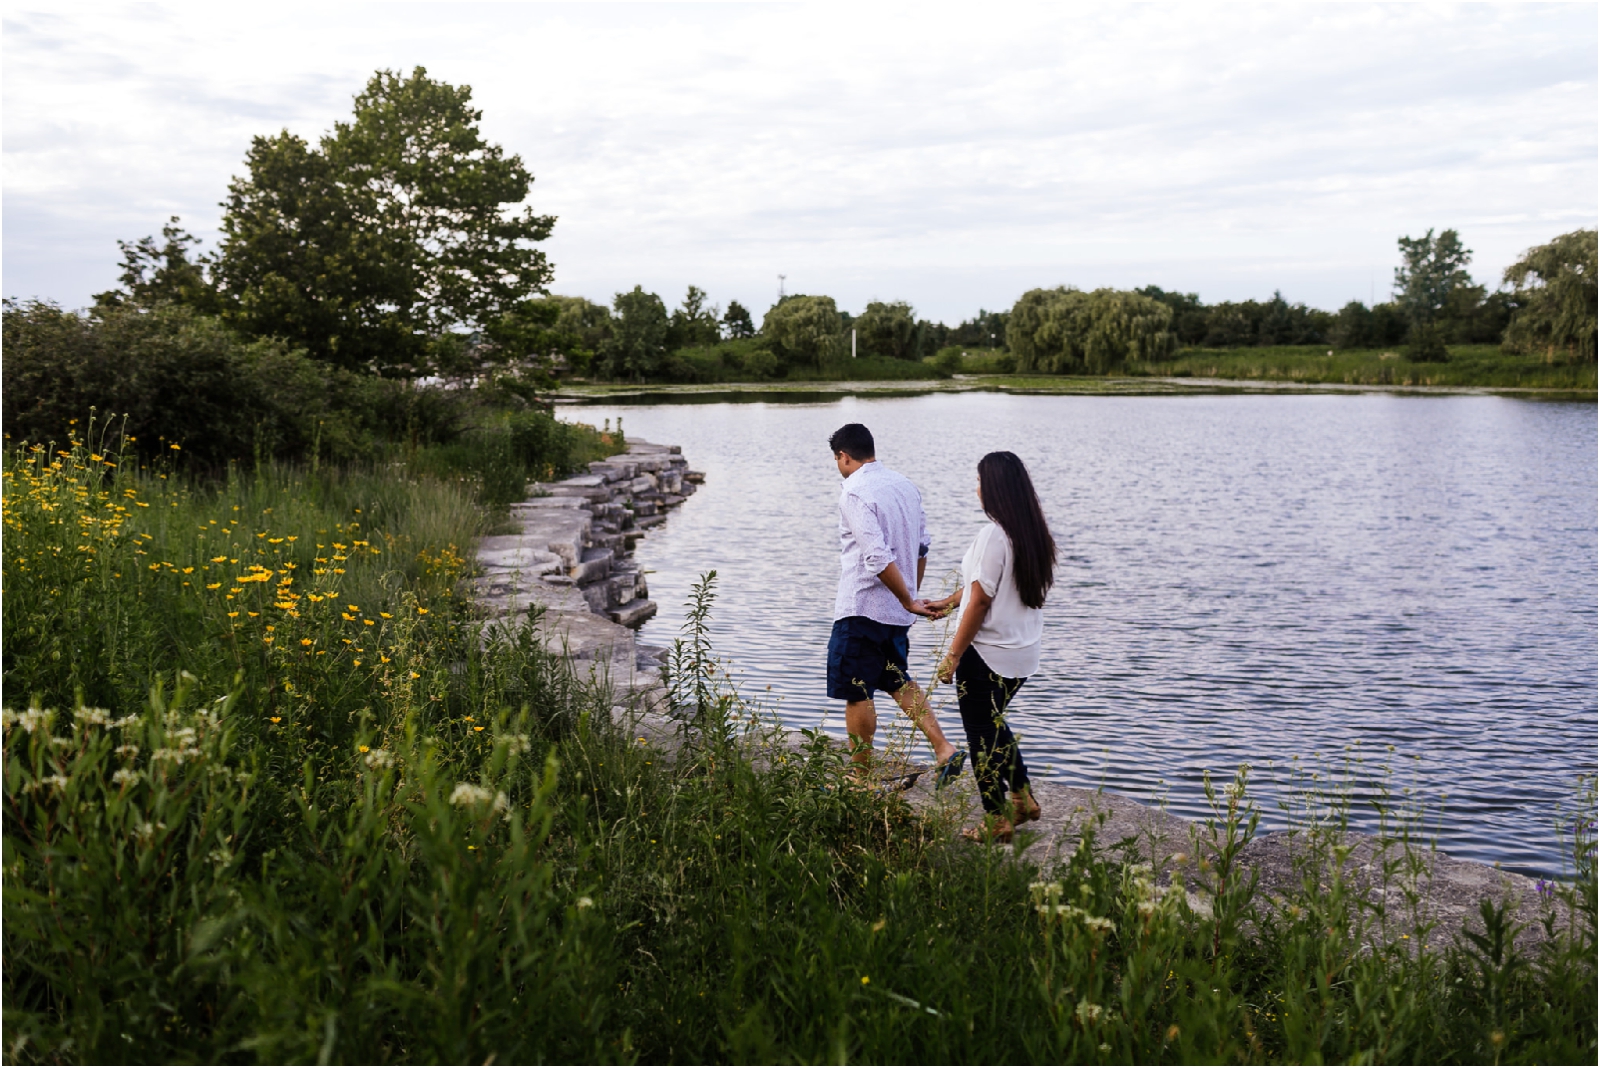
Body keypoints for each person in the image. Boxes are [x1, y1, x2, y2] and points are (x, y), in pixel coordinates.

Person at [826, 423, 965, 786]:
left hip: (862, 607)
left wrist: (907, 598)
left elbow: (875, 555)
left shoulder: (854, 491)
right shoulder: (905, 486)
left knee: (856, 691)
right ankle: (943, 748)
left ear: (844, 456)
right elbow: (922, 547)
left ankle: (860, 777)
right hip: (896, 612)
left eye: (837, 460)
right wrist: (911, 598)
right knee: (897, 679)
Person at [927, 450, 1056, 842]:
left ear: (996, 488)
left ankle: (997, 817)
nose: (977, 488)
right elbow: (983, 589)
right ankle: (1022, 799)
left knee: (981, 734)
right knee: (993, 725)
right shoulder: (1031, 532)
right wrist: (949, 602)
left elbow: (983, 601)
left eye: (981, 481)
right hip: (1021, 653)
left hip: (986, 653)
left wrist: (953, 655)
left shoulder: (993, 535)